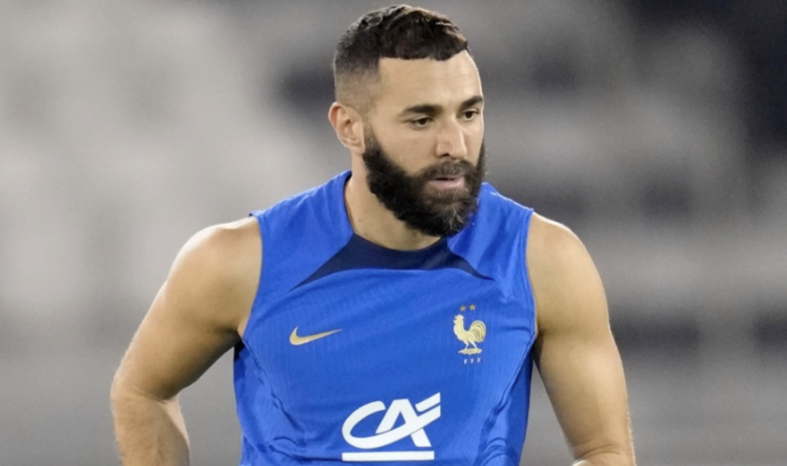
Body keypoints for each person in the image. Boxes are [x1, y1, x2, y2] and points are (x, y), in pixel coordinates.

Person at [110, 5, 635, 466]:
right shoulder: (240, 261)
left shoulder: (541, 259)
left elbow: (604, 450)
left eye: (469, 113)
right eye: (422, 120)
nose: (454, 144)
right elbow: (143, 391)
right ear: (349, 127)